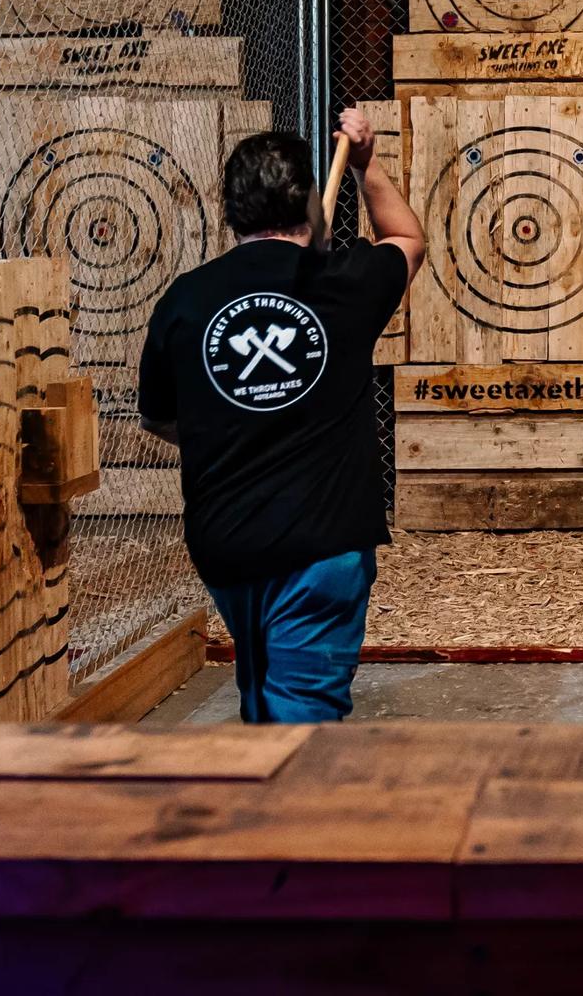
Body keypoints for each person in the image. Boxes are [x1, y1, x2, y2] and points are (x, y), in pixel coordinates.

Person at [138, 109, 425, 723]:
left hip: (226, 540)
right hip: (320, 545)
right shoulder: (343, 281)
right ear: (312, 205)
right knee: (301, 719)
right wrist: (367, 165)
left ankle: (260, 798)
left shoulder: (184, 299)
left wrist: (234, 425)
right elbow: (407, 240)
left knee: (261, 693)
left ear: (230, 211)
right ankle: (286, 812)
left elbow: (160, 418)